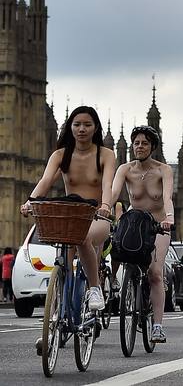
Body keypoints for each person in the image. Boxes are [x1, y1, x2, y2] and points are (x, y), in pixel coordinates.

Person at [20, 106, 115, 312]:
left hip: (97, 215)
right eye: (77, 124)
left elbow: (107, 185)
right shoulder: (60, 155)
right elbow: (45, 182)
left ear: (95, 128)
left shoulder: (105, 154)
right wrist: (30, 202)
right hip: (71, 215)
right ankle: (55, 321)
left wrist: (106, 205)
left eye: (87, 124)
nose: (82, 129)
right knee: (63, 266)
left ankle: (95, 288)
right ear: (70, 127)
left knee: (83, 238)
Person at [111, 125, 174, 344]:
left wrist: (169, 218)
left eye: (144, 143)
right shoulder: (125, 169)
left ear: (153, 147)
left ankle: (157, 326)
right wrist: (102, 208)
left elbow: (167, 197)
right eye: (136, 143)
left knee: (155, 273)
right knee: (116, 249)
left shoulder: (163, 170)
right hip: (134, 221)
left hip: (157, 225)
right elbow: (113, 193)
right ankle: (114, 284)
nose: (139, 146)